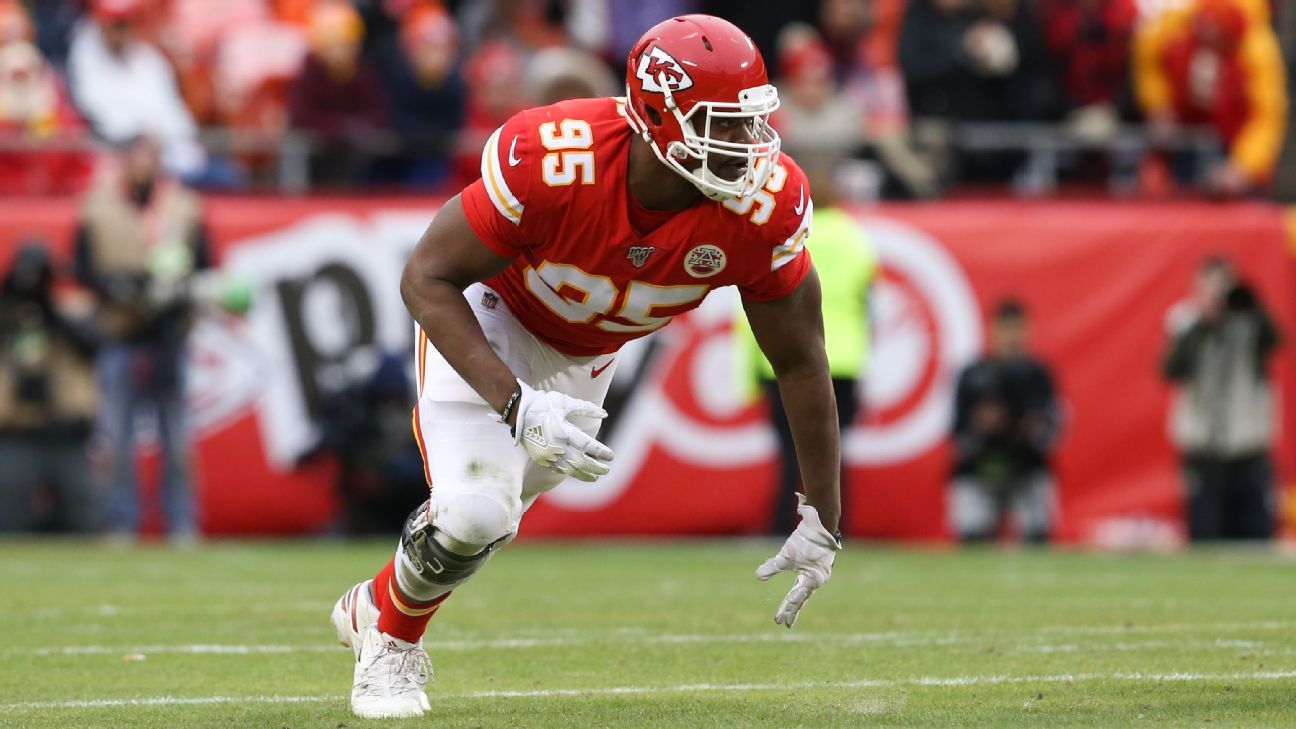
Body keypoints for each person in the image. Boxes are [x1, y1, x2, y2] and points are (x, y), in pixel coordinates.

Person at [330, 15, 844, 719]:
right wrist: (514, 402)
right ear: (657, 117)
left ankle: (375, 603)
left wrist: (824, 515)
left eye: (749, 121)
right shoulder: (556, 158)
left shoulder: (762, 206)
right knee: (475, 511)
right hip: (494, 319)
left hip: (586, 356)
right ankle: (390, 644)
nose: (744, 144)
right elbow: (426, 276)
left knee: (488, 523)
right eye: (721, 123)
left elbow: (801, 361)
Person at [73, 135, 211, 542]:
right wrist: (118, 285)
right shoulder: (99, 207)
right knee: (116, 436)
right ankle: (120, 520)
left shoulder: (183, 206)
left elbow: (205, 265)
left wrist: (177, 290)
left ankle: (181, 521)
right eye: (136, 157)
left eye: (150, 157)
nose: (143, 165)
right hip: (122, 331)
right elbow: (81, 266)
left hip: (169, 333)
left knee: (176, 436)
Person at [734, 159, 878, 535]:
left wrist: (750, 372)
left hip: (781, 358)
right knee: (831, 452)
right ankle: (833, 527)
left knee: (789, 452)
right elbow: (868, 299)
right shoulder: (853, 236)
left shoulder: (782, 232)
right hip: (843, 359)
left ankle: (781, 526)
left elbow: (751, 306)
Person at [1163, 257, 1279, 540]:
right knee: (1206, 533)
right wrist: (1204, 321)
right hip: (1203, 446)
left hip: (1248, 445)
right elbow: (1171, 370)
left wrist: (1252, 306)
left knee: (1255, 533)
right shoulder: (1185, 320)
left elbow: (1275, 341)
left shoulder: (1248, 318)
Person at [1133, 0, 1287, 196]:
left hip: (1233, 146)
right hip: (1185, 140)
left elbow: (1266, 117)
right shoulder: (1177, 22)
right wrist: (1158, 105)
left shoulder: (1259, 51)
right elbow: (1149, 55)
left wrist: (1242, 169)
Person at [0, 242, 99, 533]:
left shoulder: (72, 308)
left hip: (67, 432)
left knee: (81, 523)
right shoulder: (8, 314)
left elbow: (92, 344)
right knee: (10, 522)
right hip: (19, 431)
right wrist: (12, 297)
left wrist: (48, 307)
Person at [949, 299, 1060, 544]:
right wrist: (981, 429)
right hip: (979, 469)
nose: (1011, 337)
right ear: (993, 329)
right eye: (1005, 328)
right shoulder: (972, 375)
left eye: (1017, 329)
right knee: (973, 534)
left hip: (1025, 467)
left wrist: (1028, 428)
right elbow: (957, 434)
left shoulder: (1037, 375)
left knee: (1037, 531)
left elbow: (1052, 429)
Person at [66, 0, 208, 181]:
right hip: (114, 155)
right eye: (115, 24)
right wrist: (140, 137)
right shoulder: (84, 56)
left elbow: (175, 115)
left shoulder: (149, 59)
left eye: (125, 23)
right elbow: (99, 115)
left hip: (163, 154)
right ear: (100, 24)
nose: (120, 31)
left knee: (217, 174)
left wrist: (160, 138)